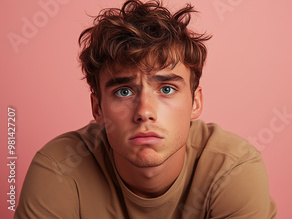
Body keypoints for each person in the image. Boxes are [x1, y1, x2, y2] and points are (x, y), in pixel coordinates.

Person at [14, 0, 277, 218]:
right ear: (98, 108)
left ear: (195, 103)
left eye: (166, 89)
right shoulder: (60, 168)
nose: (144, 112)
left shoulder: (233, 169)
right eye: (124, 91)